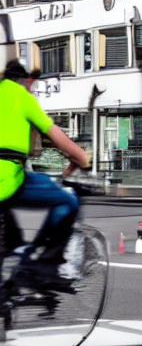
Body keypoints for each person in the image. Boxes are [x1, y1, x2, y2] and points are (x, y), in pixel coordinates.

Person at [0, 60, 89, 279]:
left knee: (10, 235)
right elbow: (55, 134)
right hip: (7, 179)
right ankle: (44, 264)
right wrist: (80, 157)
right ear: (25, 82)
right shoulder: (22, 97)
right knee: (67, 201)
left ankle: (13, 275)